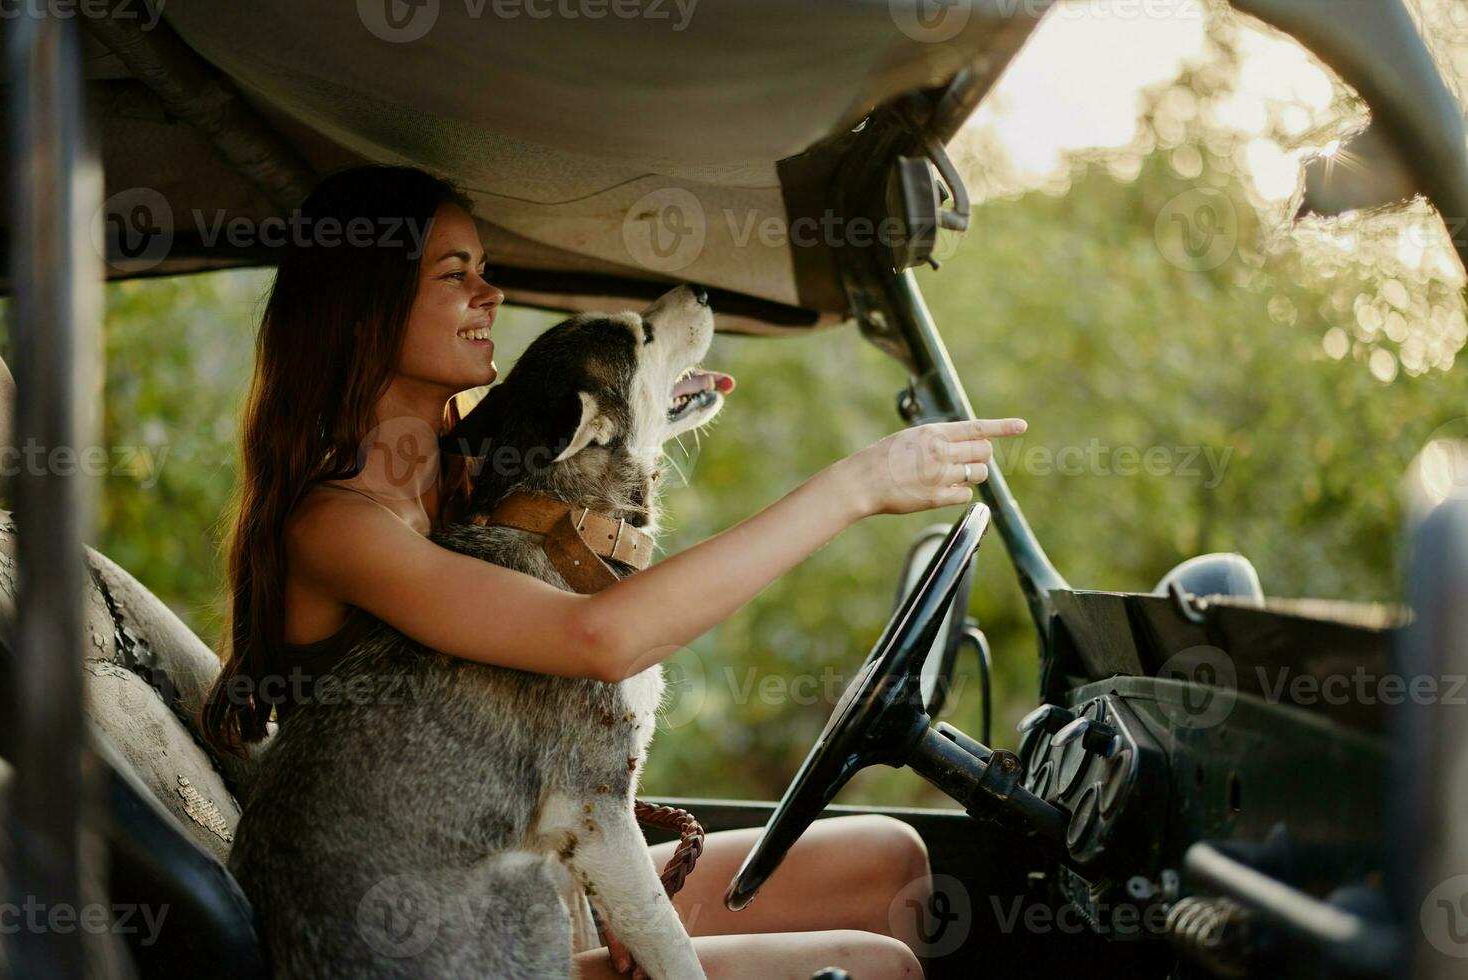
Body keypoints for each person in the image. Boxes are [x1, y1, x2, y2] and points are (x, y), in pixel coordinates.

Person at [200, 165, 1026, 979]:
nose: (489, 294)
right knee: (874, 968)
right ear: (361, 311)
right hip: (440, 940)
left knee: (887, 857)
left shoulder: (468, 484)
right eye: (456, 275)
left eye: (486, 270)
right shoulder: (338, 526)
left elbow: (552, 738)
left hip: (528, 882)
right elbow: (596, 638)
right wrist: (856, 486)